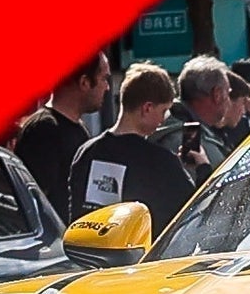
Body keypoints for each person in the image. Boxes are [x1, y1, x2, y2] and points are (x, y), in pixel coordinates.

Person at [72, 63, 199, 227]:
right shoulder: (160, 161)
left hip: (89, 250)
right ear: (147, 108)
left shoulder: (85, 152)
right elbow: (193, 213)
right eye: (163, 111)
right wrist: (202, 168)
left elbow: (75, 218)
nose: (163, 120)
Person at [12, 50, 112, 218]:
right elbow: (35, 202)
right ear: (84, 82)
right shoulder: (44, 130)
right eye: (104, 79)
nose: (107, 87)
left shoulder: (77, 128)